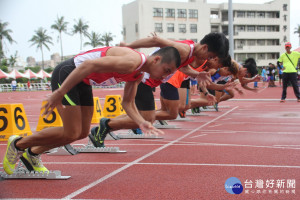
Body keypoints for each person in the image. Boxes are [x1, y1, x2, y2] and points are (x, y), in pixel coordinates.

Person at [2, 46, 181, 175]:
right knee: (71, 131)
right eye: (166, 70)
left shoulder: (138, 73)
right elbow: (87, 66)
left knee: (81, 133)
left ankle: (32, 154)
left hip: (84, 82)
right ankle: (18, 144)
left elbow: (127, 102)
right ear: (156, 59)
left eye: (169, 73)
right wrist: (60, 92)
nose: (165, 76)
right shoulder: (133, 61)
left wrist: (141, 122)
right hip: (69, 73)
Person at [88, 32, 229, 147]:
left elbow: (183, 67)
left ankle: (106, 126)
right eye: (210, 56)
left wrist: (197, 74)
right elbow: (156, 40)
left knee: (147, 118)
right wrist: (129, 46)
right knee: (147, 118)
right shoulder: (184, 49)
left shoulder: (189, 51)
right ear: (204, 48)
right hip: (144, 79)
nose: (208, 60)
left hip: (149, 81)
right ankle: (105, 126)